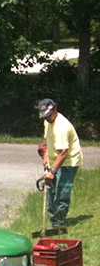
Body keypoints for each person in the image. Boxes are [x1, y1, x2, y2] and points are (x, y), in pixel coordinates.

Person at [38, 98, 83, 231]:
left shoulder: (62, 127)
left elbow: (63, 152)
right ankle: (53, 221)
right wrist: (46, 157)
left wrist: (52, 172)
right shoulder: (48, 122)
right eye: (44, 116)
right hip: (54, 160)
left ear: (55, 110)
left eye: (48, 115)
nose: (46, 119)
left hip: (68, 162)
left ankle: (59, 223)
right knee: (50, 190)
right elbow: (47, 141)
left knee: (61, 192)